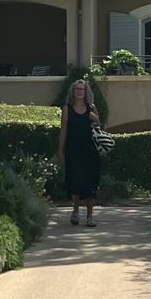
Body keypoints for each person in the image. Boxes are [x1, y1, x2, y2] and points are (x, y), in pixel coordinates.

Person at [55, 78, 102, 226]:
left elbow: (100, 129)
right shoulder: (67, 108)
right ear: (73, 92)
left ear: (86, 92)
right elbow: (63, 130)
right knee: (74, 182)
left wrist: (96, 119)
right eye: (77, 89)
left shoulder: (91, 108)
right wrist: (60, 150)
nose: (79, 92)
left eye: (82, 89)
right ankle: (75, 211)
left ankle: (90, 216)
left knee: (90, 184)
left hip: (90, 151)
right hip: (73, 150)